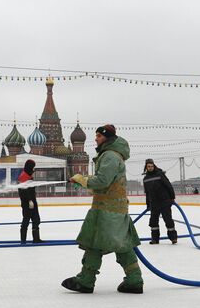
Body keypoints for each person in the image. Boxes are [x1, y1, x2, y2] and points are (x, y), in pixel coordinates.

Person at [63, 124, 143, 294]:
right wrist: (83, 181)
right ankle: (134, 279)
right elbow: (106, 181)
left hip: (107, 210)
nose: (96, 139)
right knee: (121, 244)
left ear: (106, 137)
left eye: (99, 136)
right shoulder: (112, 155)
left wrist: (84, 181)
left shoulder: (109, 156)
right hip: (113, 208)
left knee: (96, 243)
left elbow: (102, 181)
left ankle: (86, 280)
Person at [143, 159, 177, 244]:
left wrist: (172, 197)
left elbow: (168, 185)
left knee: (168, 220)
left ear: (154, 166)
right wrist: (148, 204)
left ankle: (173, 238)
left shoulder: (160, 174)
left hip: (164, 201)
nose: (150, 168)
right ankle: (155, 239)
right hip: (154, 203)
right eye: (148, 166)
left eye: (151, 166)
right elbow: (147, 193)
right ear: (146, 167)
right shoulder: (145, 179)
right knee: (153, 222)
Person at [17, 159, 43, 243]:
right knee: (26, 220)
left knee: (36, 220)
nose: (33, 169)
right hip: (27, 202)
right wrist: (29, 201)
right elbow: (23, 191)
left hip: (32, 201)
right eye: (32, 167)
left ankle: (36, 239)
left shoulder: (27, 174)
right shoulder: (23, 176)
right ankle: (23, 240)